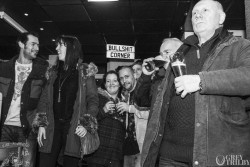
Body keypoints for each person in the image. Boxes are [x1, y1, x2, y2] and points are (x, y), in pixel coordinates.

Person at [141, 0, 250, 166]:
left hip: (216, 155)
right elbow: (154, 102)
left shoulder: (240, 47)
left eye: (205, 10)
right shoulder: (181, 52)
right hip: (170, 156)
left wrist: (200, 81)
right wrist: (145, 78)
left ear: (221, 17)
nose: (198, 14)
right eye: (194, 13)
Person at [33, 35, 99, 167]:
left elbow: (93, 101)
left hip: (74, 127)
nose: (57, 48)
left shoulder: (85, 71)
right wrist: (41, 124)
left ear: (72, 48)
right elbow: (44, 100)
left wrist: (86, 124)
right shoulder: (53, 72)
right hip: (52, 126)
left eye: (61, 45)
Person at [0, 32, 49, 167]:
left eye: (38, 45)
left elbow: (43, 101)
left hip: (27, 128)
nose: (37, 48)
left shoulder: (42, 72)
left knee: (26, 165)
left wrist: (42, 124)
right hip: (4, 127)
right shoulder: (3, 68)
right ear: (21, 44)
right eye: (33, 44)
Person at [87, 70, 126, 167]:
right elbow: (88, 122)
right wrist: (103, 110)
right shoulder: (96, 98)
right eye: (108, 81)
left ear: (119, 84)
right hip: (97, 153)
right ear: (104, 84)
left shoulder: (124, 103)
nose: (111, 84)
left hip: (116, 155)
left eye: (115, 81)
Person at [117, 66, 151, 167]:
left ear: (135, 75)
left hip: (142, 145)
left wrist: (130, 108)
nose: (124, 81)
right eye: (121, 78)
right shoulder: (124, 95)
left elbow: (151, 114)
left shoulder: (144, 92)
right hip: (128, 146)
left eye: (127, 76)